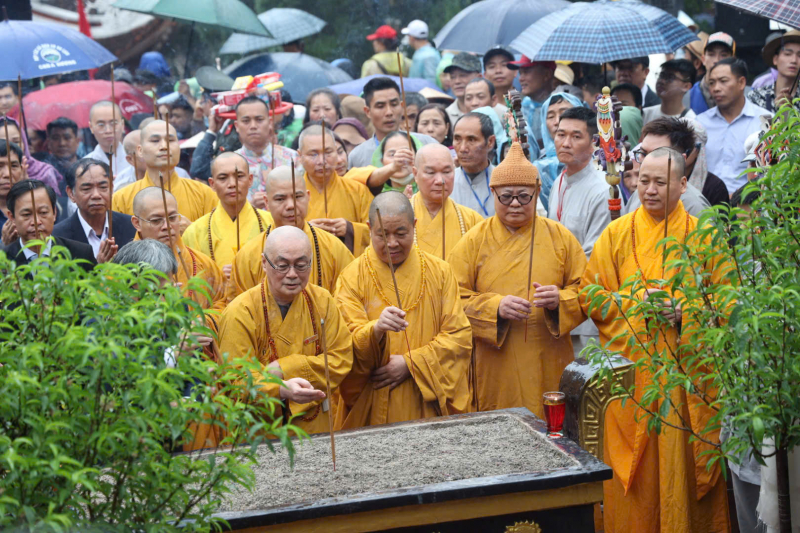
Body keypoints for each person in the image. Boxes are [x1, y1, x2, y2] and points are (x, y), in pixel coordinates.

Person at [581, 147, 730, 533]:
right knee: (634, 487)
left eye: (659, 182)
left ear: (682, 184)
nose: (648, 189)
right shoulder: (616, 233)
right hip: (631, 381)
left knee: (682, 475)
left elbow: (729, 304)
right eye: (641, 179)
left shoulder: (704, 236)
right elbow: (590, 295)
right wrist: (635, 304)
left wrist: (684, 313)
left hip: (686, 384)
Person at [449, 143, 586, 416]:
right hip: (494, 363)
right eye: (506, 196)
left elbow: (586, 290)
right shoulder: (473, 241)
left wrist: (559, 300)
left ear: (537, 193)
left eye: (524, 196)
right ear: (493, 193)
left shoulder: (560, 237)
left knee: (552, 427)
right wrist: (494, 308)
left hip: (548, 355)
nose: (514, 203)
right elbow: (451, 299)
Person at [334, 191, 472, 427]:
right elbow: (342, 343)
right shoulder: (351, 277)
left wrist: (411, 364)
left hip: (425, 398)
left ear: (414, 226)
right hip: (373, 399)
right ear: (369, 228)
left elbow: (459, 337)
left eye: (401, 233)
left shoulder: (440, 271)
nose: (392, 243)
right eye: (382, 234)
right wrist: (375, 330)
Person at [218, 225, 354, 435]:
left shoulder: (322, 301)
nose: (292, 274)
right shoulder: (240, 311)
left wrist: (285, 368)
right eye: (282, 265)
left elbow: (341, 358)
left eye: (301, 265)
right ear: (264, 263)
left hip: (315, 428)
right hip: (261, 433)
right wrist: (279, 388)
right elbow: (234, 382)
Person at [225, 165, 354, 303]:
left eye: (298, 196)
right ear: (267, 202)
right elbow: (237, 309)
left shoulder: (334, 249)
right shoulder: (248, 256)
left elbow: (348, 303)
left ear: (308, 197)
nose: (291, 205)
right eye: (280, 199)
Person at [131, 187, 226, 314]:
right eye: (156, 220)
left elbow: (224, 305)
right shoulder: (122, 267)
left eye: (172, 218)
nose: (167, 226)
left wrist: (202, 322)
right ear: (137, 223)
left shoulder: (204, 265)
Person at [112, 121, 218, 228]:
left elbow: (219, 238)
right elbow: (119, 241)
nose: (164, 146)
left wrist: (192, 231)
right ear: (140, 150)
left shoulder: (205, 194)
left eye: (171, 140)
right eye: (155, 141)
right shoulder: (121, 199)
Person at [182, 152, 270, 276]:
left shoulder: (271, 224)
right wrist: (216, 278)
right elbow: (190, 282)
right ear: (212, 184)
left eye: (239, 176)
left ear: (250, 180)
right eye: (223, 178)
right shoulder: (194, 232)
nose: (232, 184)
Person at [697, 58, 771, 195]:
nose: (716, 88)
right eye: (711, 83)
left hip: (750, 206)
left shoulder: (765, 121)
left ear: (741, 82)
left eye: (723, 81)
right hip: (707, 206)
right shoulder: (699, 123)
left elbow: (772, 173)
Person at [625, 117, 729, 213]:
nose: (647, 161)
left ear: (680, 159)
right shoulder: (638, 195)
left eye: (657, 154)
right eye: (643, 154)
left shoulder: (694, 207)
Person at [300, 125, 373, 256]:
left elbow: (378, 232)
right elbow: (276, 234)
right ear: (300, 156)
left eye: (328, 152)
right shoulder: (292, 195)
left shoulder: (358, 190)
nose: (322, 161)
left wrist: (350, 229)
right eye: (313, 154)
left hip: (349, 270)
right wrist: (305, 231)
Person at [549, 107, 610, 260]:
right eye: (561, 135)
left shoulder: (603, 191)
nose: (565, 144)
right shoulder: (559, 181)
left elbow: (595, 254)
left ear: (594, 143)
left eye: (576, 137)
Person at [52, 159, 135, 261]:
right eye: (86, 189)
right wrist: (98, 268)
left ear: (111, 188)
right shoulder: (58, 236)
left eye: (103, 187)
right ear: (71, 194)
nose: (96, 195)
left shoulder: (131, 226)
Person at [410, 143, 482, 259]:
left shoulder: (472, 220)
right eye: (430, 173)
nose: (440, 181)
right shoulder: (399, 218)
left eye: (447, 172)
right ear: (415, 174)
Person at [3, 179, 96, 269]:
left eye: (43, 212)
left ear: (54, 213)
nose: (36, 222)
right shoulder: (3, 260)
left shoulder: (81, 254)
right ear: (12, 217)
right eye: (27, 214)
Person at [347, 77, 437, 169]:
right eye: (380, 106)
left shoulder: (427, 144)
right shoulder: (357, 157)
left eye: (394, 104)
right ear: (368, 112)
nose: (389, 112)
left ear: (402, 107)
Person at [534, 92, 583, 210]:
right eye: (550, 116)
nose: (557, 121)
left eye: (564, 113)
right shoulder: (537, 168)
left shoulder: (596, 161)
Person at [507, 57, 557, 160]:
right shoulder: (520, 107)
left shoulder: (561, 106)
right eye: (520, 73)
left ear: (547, 74)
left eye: (526, 72)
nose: (521, 78)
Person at [0, 116, 62, 197]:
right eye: (3, 142)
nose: (10, 147)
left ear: (24, 142)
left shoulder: (44, 172)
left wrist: (26, 187)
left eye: (16, 141)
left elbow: (51, 207)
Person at [449, 112, 496, 217]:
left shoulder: (505, 181)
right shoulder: (445, 183)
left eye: (471, 140)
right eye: (457, 139)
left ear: (490, 142)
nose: (462, 149)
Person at [748, 30, 800, 113]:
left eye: (799, 55)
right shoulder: (757, 96)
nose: (794, 60)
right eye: (787, 54)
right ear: (775, 59)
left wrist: (789, 113)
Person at [687, 32, 736, 115]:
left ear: (733, 60)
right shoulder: (687, 97)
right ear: (703, 59)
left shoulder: (746, 96)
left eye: (723, 55)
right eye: (711, 54)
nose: (716, 60)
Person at [643, 59, 697, 124]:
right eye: (661, 75)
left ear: (686, 86)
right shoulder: (645, 114)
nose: (662, 81)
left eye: (670, 77)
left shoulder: (691, 121)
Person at [86, 101, 131, 177]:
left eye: (113, 123)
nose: (108, 130)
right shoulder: (85, 164)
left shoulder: (136, 161)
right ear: (91, 127)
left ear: (122, 125)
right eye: (101, 125)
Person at [443, 52, 483, 125]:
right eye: (453, 77)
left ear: (479, 77)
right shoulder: (446, 116)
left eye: (463, 75)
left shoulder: (499, 113)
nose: (457, 81)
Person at [1, 140, 25, 244]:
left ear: (22, 169)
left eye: (14, 166)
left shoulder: (35, 205)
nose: (7, 174)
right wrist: (3, 245)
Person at [403, 20, 441, 84]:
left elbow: (431, 82)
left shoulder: (429, 55)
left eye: (408, 35)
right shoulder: (426, 52)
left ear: (412, 37)